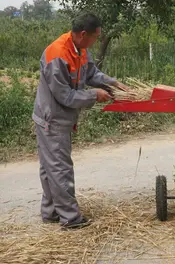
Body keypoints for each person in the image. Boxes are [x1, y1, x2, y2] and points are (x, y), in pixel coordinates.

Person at [32, 13, 128, 229]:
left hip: (61, 118)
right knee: (60, 168)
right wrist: (94, 95)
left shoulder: (80, 49)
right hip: (52, 120)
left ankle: (51, 212)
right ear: (83, 34)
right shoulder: (57, 55)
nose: (96, 41)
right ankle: (70, 218)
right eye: (96, 37)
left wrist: (111, 82)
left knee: (50, 167)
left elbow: (91, 73)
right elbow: (64, 95)